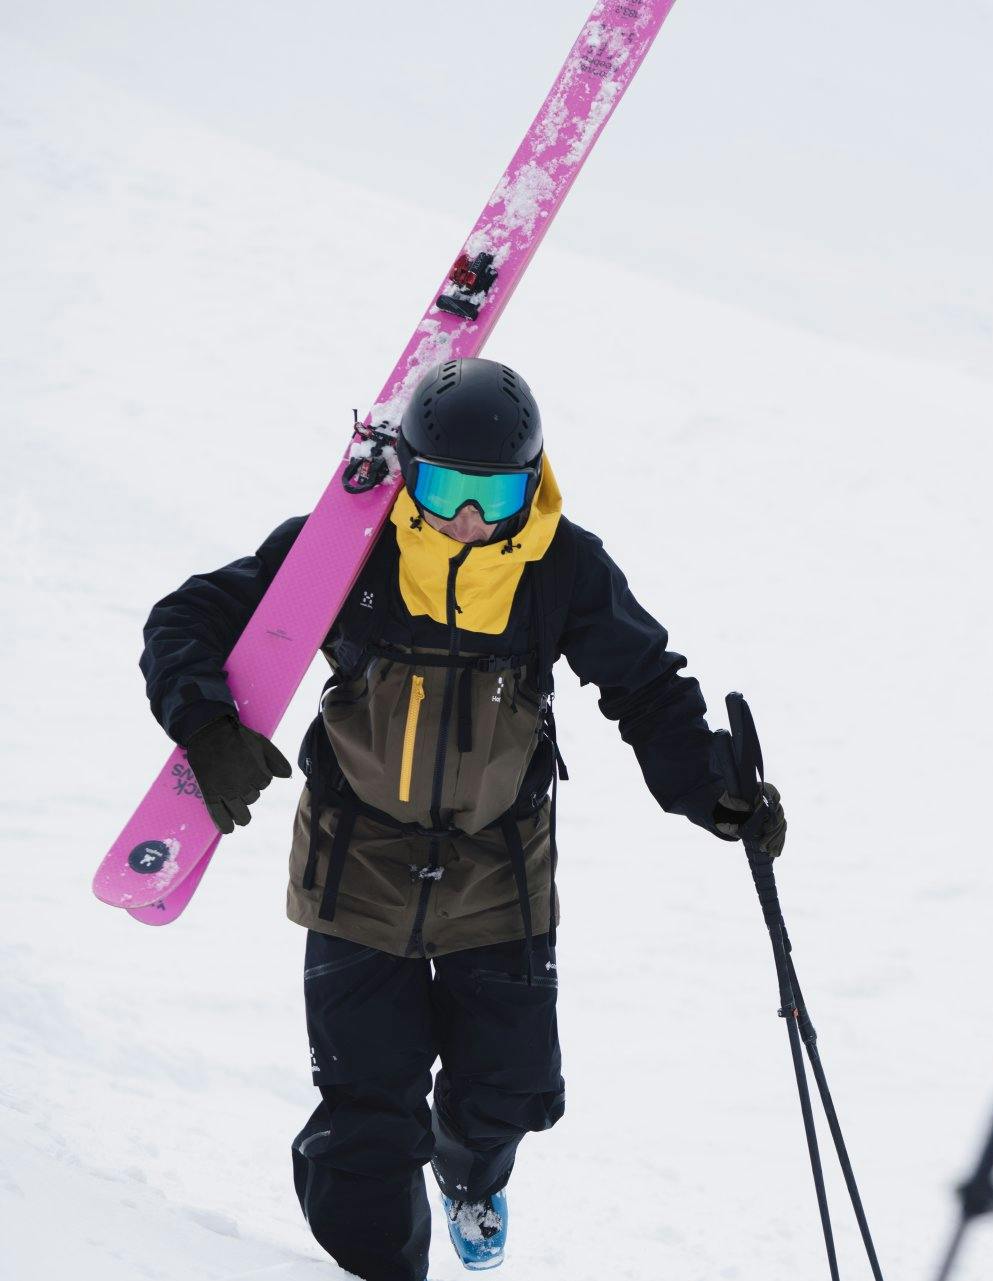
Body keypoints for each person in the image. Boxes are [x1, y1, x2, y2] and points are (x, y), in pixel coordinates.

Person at [140, 357, 786, 1280]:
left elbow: (645, 687)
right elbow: (187, 619)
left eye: (496, 492)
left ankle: (469, 1173)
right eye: (446, 488)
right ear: (408, 471)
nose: (470, 519)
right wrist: (205, 722)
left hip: (500, 870)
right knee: (367, 1126)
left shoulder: (562, 565)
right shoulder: (343, 550)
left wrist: (709, 786)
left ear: (534, 480)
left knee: (508, 1092)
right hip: (355, 863)